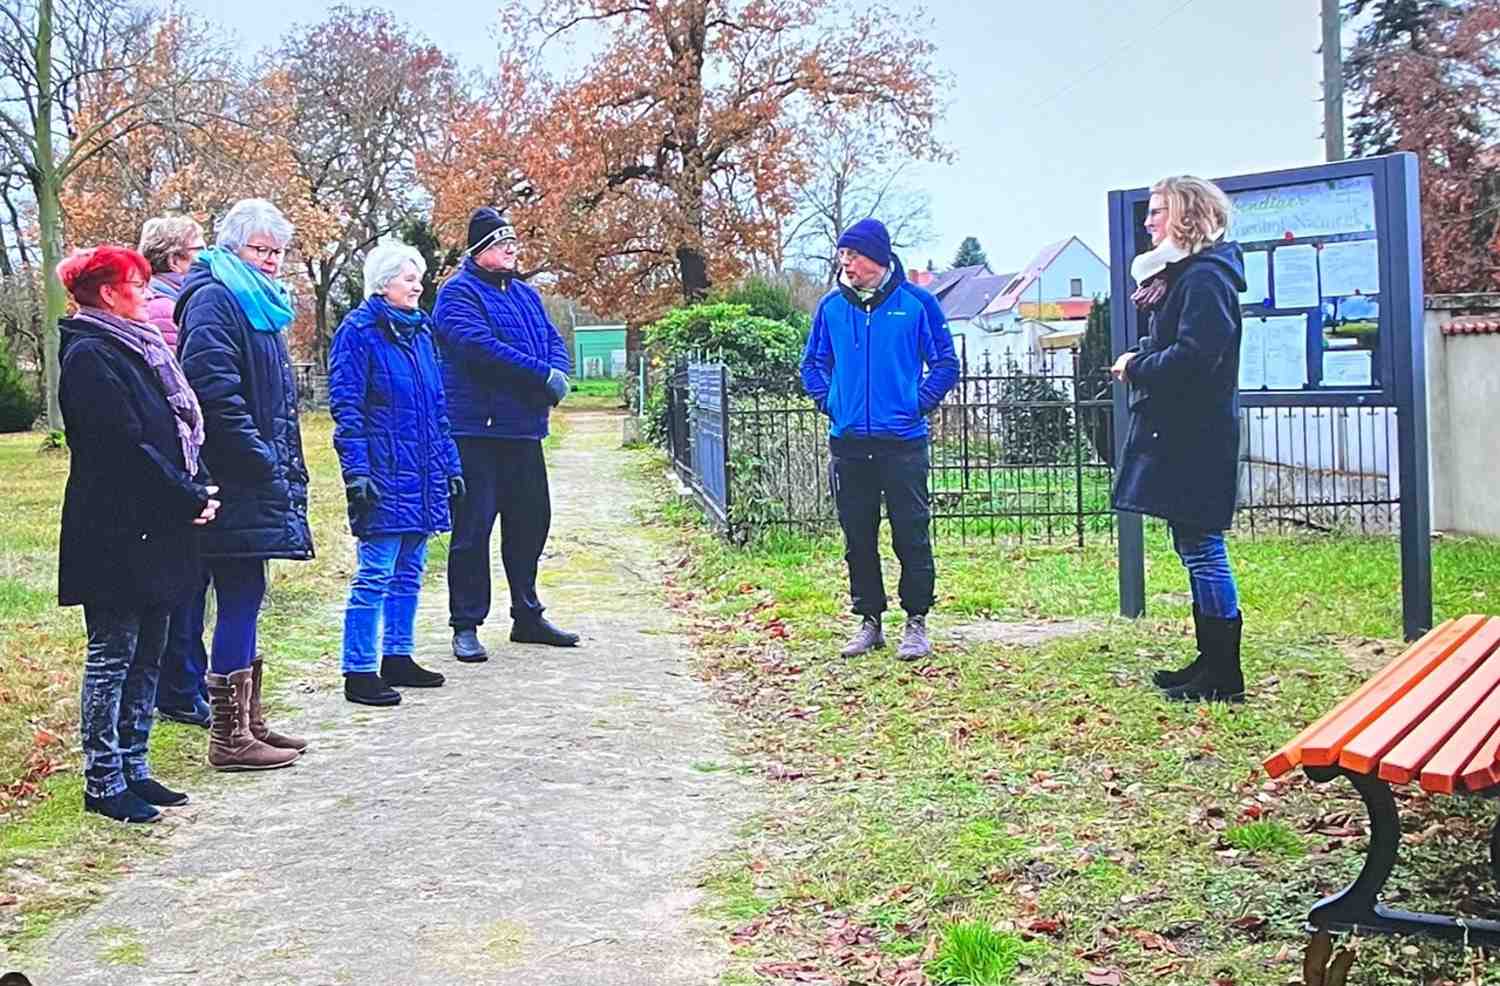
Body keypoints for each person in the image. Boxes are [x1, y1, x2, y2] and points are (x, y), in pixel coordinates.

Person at [56, 245, 220, 822]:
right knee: (114, 653)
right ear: (107, 293)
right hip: (115, 531)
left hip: (159, 526)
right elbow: (122, 449)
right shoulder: (90, 355)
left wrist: (193, 489)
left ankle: (136, 764)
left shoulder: (138, 349)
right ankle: (103, 780)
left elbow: (170, 432)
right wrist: (185, 494)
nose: (149, 296)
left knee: (150, 649)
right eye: (139, 286)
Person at [177, 198, 312, 769]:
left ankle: (249, 722)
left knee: (248, 594)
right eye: (262, 250)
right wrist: (260, 462)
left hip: (255, 478)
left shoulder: (259, 306)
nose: (272, 261)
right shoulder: (216, 300)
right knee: (237, 594)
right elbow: (215, 394)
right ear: (233, 247)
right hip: (231, 480)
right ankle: (228, 738)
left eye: (278, 251)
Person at [1110, 175, 1247, 703]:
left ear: (1188, 215)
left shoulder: (1205, 279)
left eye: (1158, 211)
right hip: (1190, 432)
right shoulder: (1189, 276)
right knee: (1193, 544)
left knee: (1204, 548)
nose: (1148, 222)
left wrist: (1136, 365)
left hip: (1199, 435)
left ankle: (1223, 675)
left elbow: (1195, 358)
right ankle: (1209, 661)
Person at [799, 218, 959, 662]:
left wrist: (917, 403)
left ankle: (916, 621)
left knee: (911, 534)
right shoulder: (832, 307)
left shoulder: (917, 304)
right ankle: (869, 621)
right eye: (843, 256)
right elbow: (812, 364)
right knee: (858, 537)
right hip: (848, 444)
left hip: (903, 442)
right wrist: (831, 403)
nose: (846, 264)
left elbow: (945, 363)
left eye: (853, 255)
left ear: (878, 258)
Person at [432, 208, 576, 662]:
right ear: (479, 250)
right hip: (477, 431)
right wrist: (541, 377)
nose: (511, 250)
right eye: (501, 243)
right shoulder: (456, 295)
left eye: (513, 243)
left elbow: (553, 342)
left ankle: (527, 613)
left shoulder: (525, 296)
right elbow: (480, 349)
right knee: (473, 530)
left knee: (531, 523)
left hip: (523, 431)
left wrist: (559, 373)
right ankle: (466, 623)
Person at [329, 242, 464, 706]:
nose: (418, 285)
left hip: (422, 471)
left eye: (418, 277)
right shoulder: (358, 333)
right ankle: (359, 668)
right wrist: (356, 473)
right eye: (409, 278)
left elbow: (437, 410)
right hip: (384, 472)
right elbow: (348, 408)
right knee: (375, 574)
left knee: (411, 570)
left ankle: (398, 655)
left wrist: (450, 465)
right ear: (383, 283)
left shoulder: (421, 335)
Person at [138, 215, 213, 727]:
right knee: (189, 580)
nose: (204, 259)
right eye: (197, 251)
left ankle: (185, 682)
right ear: (174, 258)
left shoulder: (163, 303)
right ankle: (183, 687)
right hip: (182, 460)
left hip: (173, 462)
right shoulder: (167, 310)